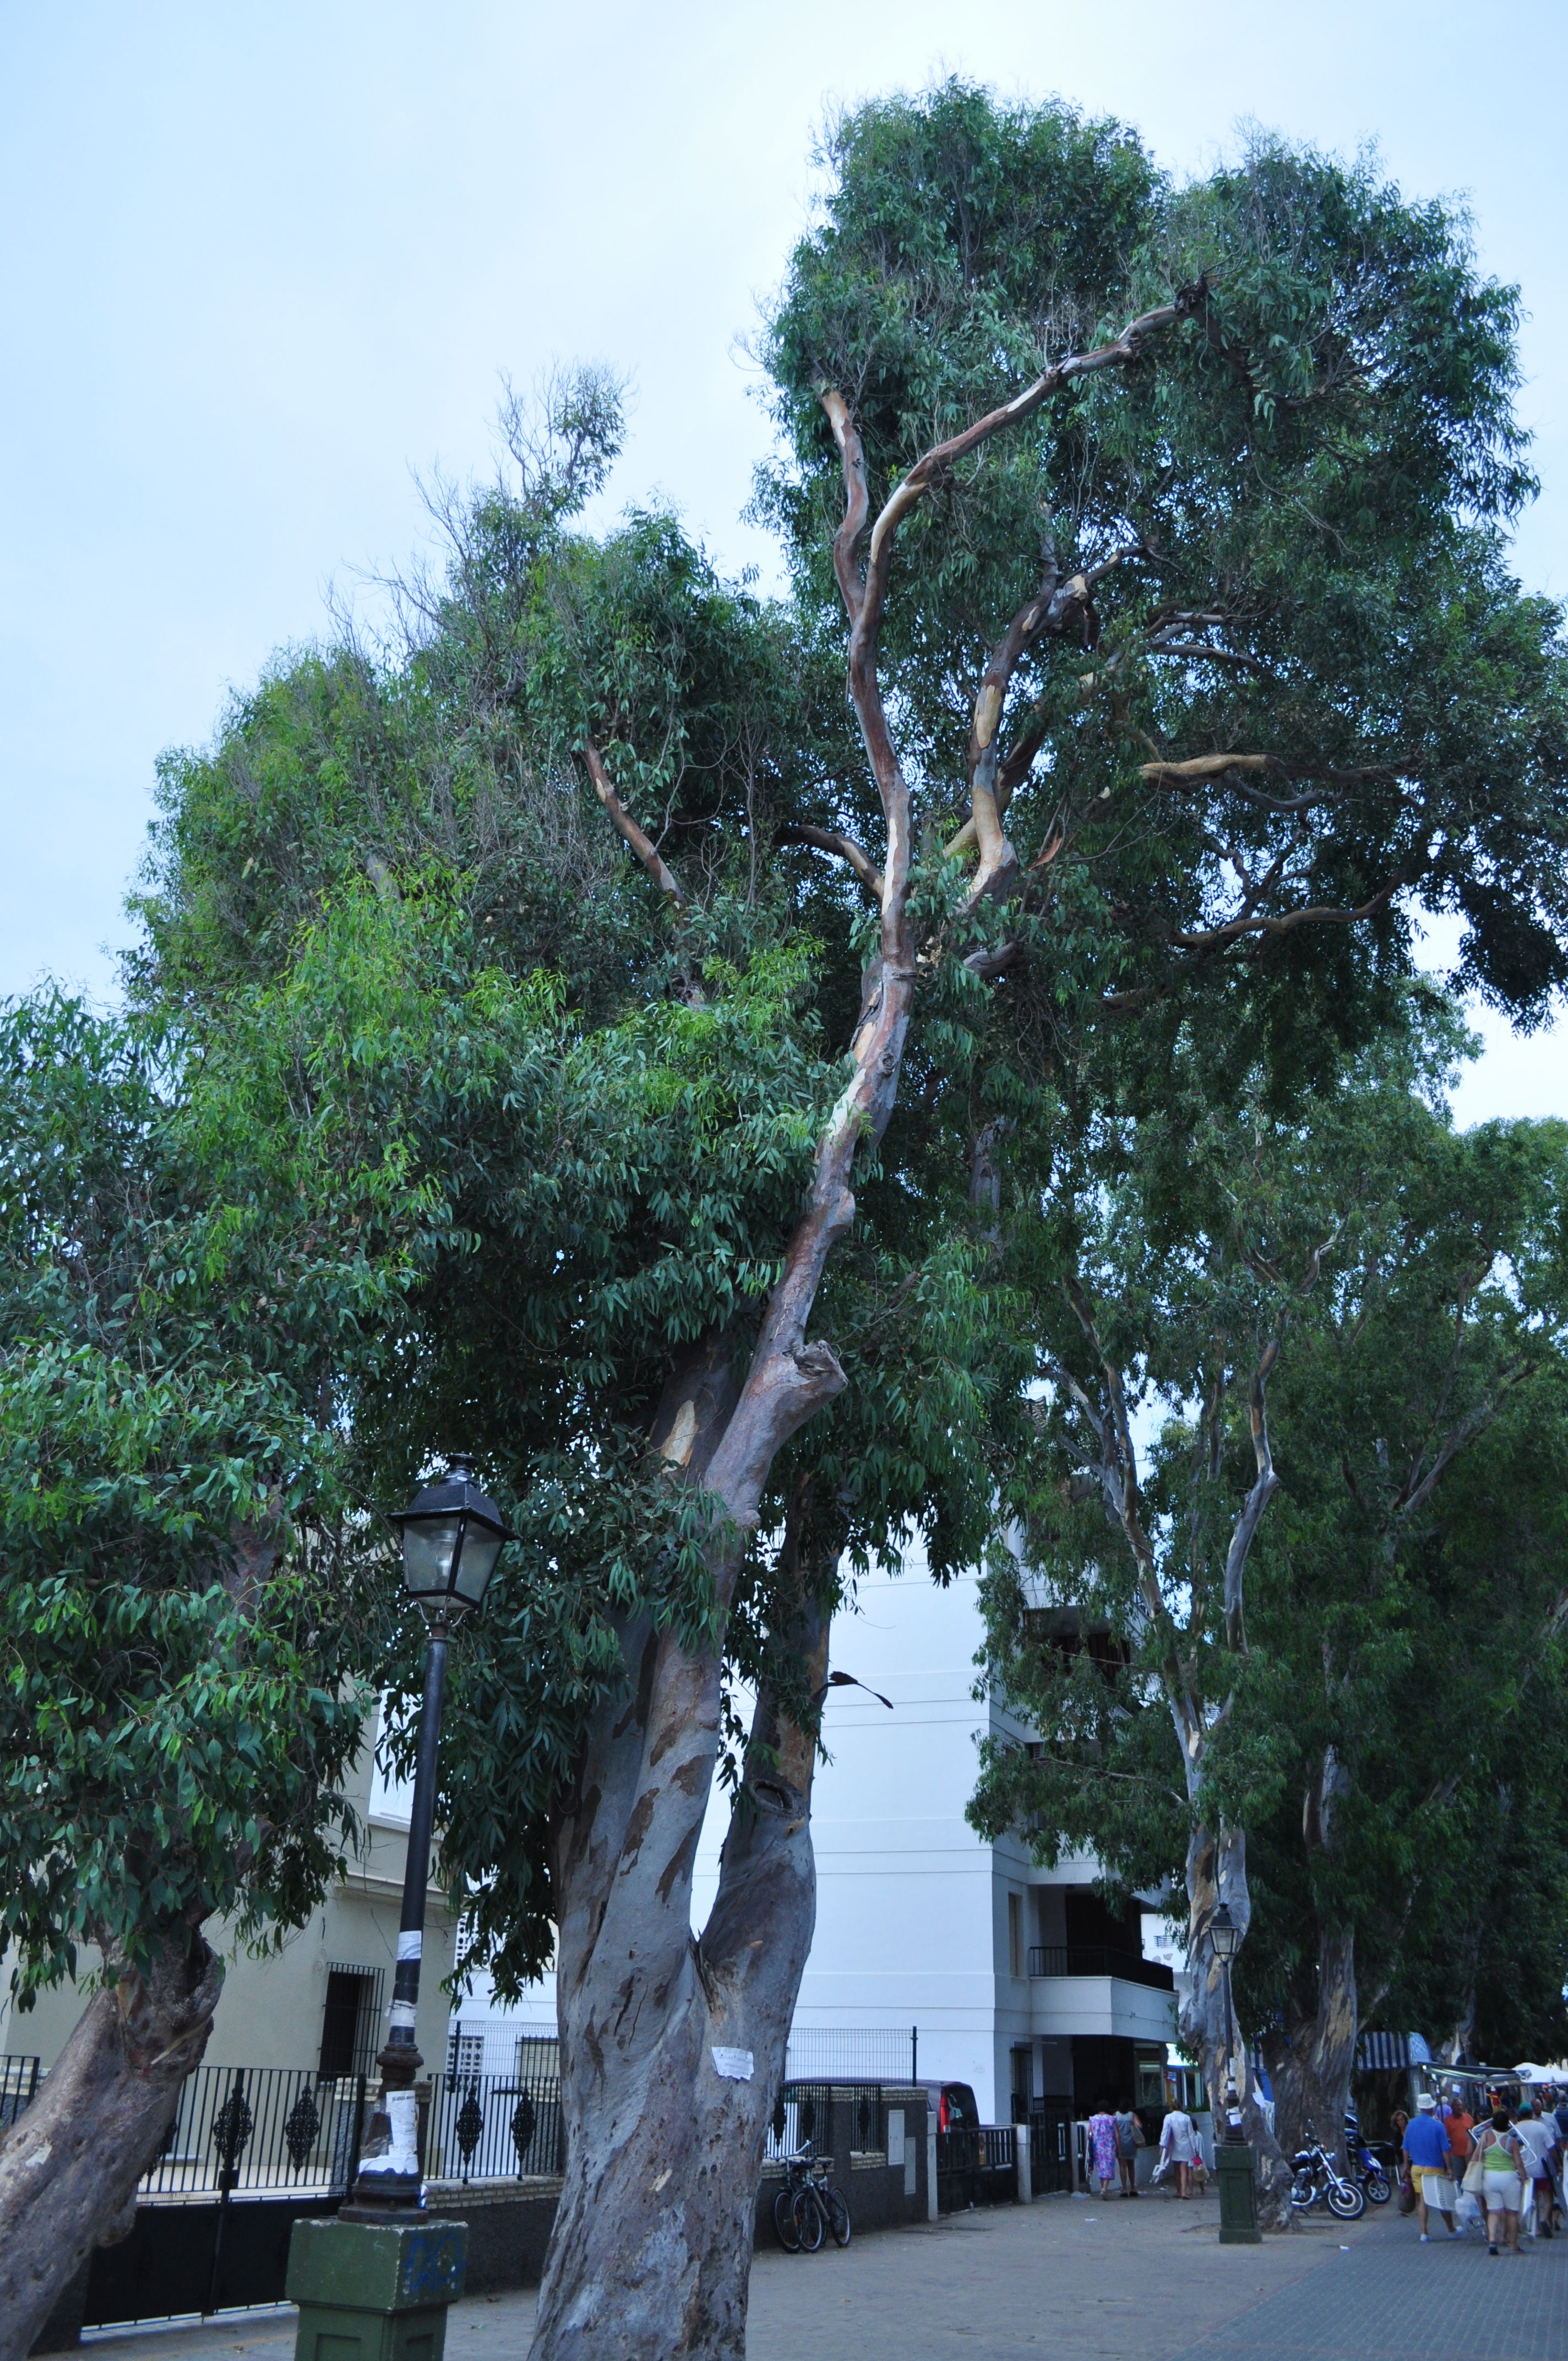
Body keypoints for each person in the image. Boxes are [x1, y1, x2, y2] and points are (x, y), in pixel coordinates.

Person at [1475, 2105, 1528, 2255]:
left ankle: (1492, 2240)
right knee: (1512, 2213)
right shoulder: (1511, 2141)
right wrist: (1524, 2177)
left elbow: (1477, 2155)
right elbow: (1518, 2163)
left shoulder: (1485, 2137)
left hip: (1490, 2177)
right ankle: (1513, 2245)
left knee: (1493, 2211)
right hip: (1509, 2178)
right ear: (1507, 2125)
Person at [1403, 2093, 1456, 2241]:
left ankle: (1424, 2233)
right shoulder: (1438, 2126)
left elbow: (1405, 2148)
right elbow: (1445, 2149)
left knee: (1422, 2200)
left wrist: (1406, 2166)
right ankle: (1451, 2229)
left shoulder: (1411, 2124)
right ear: (1432, 2108)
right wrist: (1450, 2168)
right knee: (1442, 2199)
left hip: (1417, 2168)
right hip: (1435, 2168)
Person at [1515, 2102, 1556, 2238]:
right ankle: (1545, 2219)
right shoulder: (1541, 2127)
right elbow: (1551, 2147)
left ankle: (1536, 2227)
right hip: (1542, 2168)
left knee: (1533, 2199)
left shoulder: (1516, 2129)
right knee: (1548, 2197)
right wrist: (1558, 2164)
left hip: (1526, 2169)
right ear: (1532, 2113)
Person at [1159, 2101, 1199, 2199]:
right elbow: (1191, 2134)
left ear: (1171, 2108)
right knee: (1184, 2169)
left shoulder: (1168, 2118)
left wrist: (1162, 2147)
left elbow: (1164, 2133)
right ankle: (1184, 2192)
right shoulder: (1186, 2118)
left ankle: (1178, 2191)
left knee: (1176, 2169)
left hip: (1174, 2146)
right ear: (1181, 2107)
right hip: (1186, 2145)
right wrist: (1195, 2149)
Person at [1443, 2088, 1475, 2186]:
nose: (1458, 2107)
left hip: (1470, 2153)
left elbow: (1474, 2135)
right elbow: (1446, 2138)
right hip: (1457, 2155)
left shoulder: (1469, 2118)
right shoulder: (1448, 2121)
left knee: (1472, 2176)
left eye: (1460, 2105)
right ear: (1452, 2107)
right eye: (1456, 2105)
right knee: (1460, 2178)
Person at [1112, 2102, 1145, 2196]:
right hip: (1131, 2143)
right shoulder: (1132, 2115)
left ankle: (1124, 2189)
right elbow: (1139, 2126)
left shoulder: (1115, 2115)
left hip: (1120, 2143)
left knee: (1122, 2166)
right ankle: (1133, 2188)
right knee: (1131, 2166)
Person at [1088, 2103, 1119, 2196]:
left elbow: (1090, 2133)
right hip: (1110, 2147)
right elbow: (1117, 2135)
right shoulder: (1112, 2119)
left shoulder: (1093, 2119)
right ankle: (1104, 2188)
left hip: (1097, 2148)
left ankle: (1103, 2189)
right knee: (1108, 2168)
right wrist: (1119, 2147)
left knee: (1101, 2168)